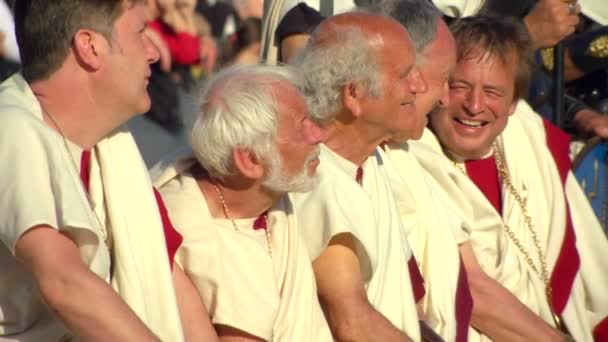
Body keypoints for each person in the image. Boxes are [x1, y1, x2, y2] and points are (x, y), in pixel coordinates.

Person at [0, 1, 216, 340]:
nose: (153, 54)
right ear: (90, 47)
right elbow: (64, 284)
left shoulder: (112, 149)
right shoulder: (10, 127)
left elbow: (167, 275)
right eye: (140, 33)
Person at [417, 15, 608, 341]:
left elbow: (589, 263)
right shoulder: (411, 158)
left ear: (514, 105)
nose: (474, 106)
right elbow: (468, 289)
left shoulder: (530, 142)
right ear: (436, 87)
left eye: (492, 91)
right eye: (459, 85)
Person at [151, 64, 332, 341]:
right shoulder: (181, 228)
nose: (318, 134)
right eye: (301, 126)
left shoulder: (273, 197)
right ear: (249, 161)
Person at [289, 12, 428, 341]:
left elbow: (404, 305)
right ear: (353, 95)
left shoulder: (373, 160)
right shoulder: (315, 176)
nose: (419, 86)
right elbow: (352, 323)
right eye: (405, 74)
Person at [371, 1, 473, 341]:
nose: (445, 98)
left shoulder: (410, 153)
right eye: (443, 79)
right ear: (407, 73)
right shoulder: (350, 166)